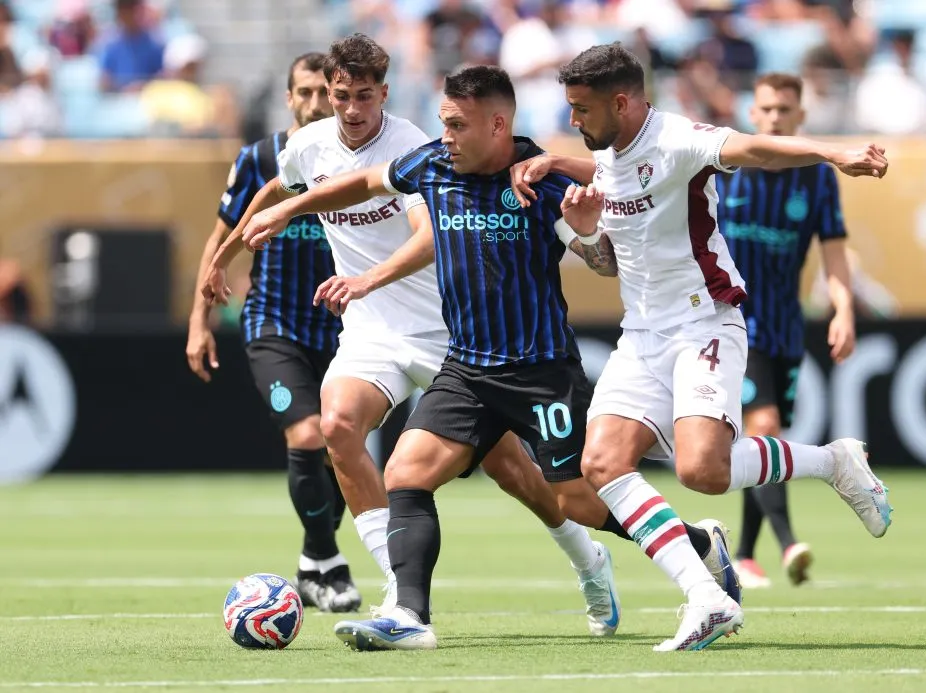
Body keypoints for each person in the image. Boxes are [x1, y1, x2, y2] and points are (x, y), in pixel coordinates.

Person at [237, 63, 740, 651]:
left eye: (456, 124)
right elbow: (364, 183)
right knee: (405, 473)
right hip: (466, 368)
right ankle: (409, 616)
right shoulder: (430, 165)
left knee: (576, 499)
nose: (444, 135)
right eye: (443, 122)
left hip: (540, 371)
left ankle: (700, 548)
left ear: (498, 124)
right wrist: (285, 208)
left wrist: (588, 233)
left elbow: (604, 264)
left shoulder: (542, 178)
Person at [202, 34, 634, 641]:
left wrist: (367, 277)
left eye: (363, 97)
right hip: (372, 329)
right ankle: (400, 598)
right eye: (340, 96)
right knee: (337, 426)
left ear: (384, 93)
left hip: (444, 329)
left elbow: (429, 235)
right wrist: (228, 252)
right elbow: (284, 187)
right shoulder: (308, 144)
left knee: (519, 474)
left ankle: (587, 556)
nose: (351, 110)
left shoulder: (420, 148)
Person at [512, 42, 891, 652]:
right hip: (639, 335)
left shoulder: (679, 138)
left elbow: (754, 147)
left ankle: (833, 462)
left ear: (621, 101)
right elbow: (607, 261)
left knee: (702, 472)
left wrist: (833, 153)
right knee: (600, 464)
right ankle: (706, 596)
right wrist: (576, 224)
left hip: (704, 325)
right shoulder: (607, 157)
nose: (574, 121)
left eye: (582, 110)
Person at [186, 52, 360, 614]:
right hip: (274, 325)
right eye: (304, 92)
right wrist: (199, 322)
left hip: (345, 330)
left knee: (340, 446)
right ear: (289, 98)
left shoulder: (354, 158)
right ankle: (329, 564)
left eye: (322, 93)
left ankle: (312, 562)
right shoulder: (259, 158)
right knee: (307, 434)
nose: (314, 103)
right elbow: (219, 242)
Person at [715, 72, 856, 589]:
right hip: (733, 324)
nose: (774, 118)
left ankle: (745, 555)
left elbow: (834, 253)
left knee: (764, 445)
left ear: (800, 117)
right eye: (767, 109)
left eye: (784, 110)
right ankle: (789, 541)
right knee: (765, 426)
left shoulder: (818, 177)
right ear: (753, 115)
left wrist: (844, 310)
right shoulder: (726, 165)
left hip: (785, 327)